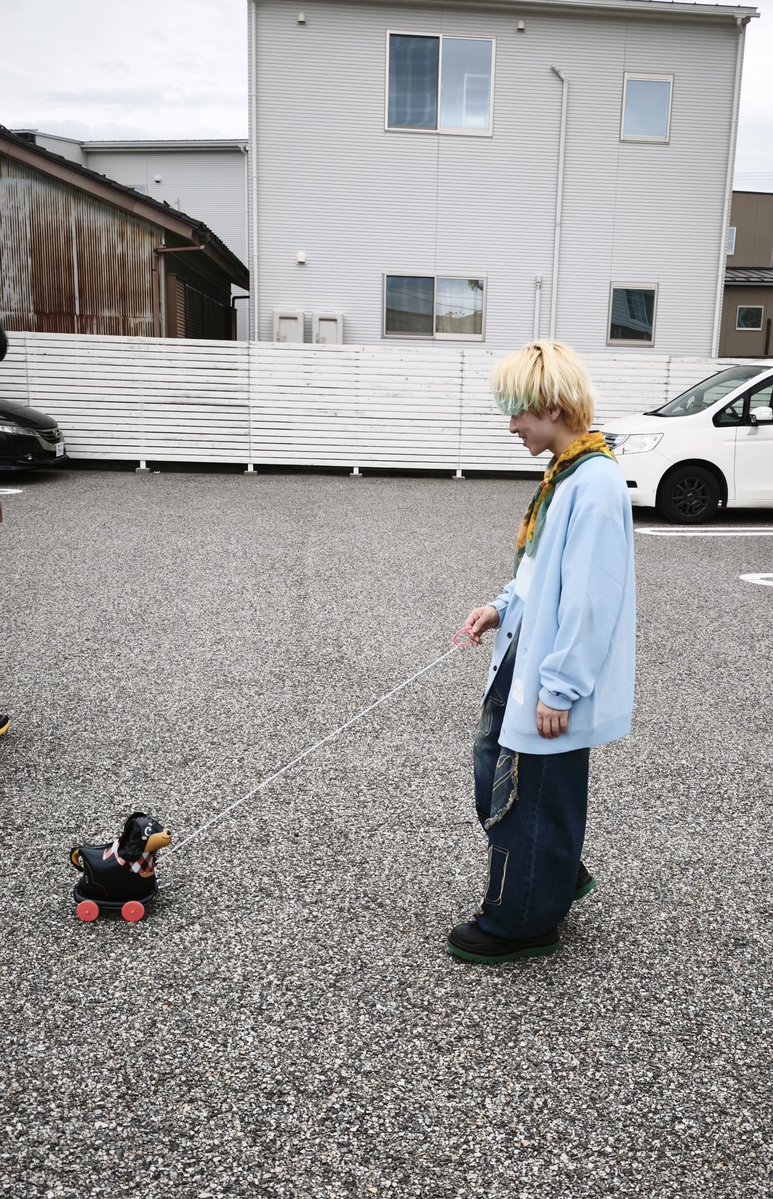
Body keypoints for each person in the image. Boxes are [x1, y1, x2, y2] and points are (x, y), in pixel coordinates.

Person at [447, 341, 636, 964]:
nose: (512, 426)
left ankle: (524, 918)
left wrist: (561, 685)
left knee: (531, 787)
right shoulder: (568, 472)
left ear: (552, 406)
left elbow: (590, 598)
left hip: (549, 672)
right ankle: (555, 868)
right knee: (499, 772)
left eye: (518, 413)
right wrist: (502, 606)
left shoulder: (596, 482)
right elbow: (538, 569)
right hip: (526, 655)